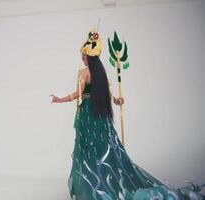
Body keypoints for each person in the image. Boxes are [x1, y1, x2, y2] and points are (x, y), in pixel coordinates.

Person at [49, 28, 204, 200]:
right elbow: (108, 96)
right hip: (101, 116)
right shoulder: (101, 75)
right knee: (105, 148)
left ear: (89, 57)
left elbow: (77, 94)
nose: (82, 59)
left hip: (88, 116)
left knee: (90, 150)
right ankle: (106, 182)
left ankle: (94, 187)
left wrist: (60, 99)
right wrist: (117, 101)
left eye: (84, 56)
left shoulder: (83, 73)